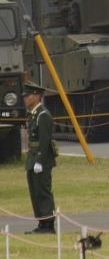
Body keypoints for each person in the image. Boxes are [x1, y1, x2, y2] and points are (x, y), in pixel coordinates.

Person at [24, 82, 57, 234]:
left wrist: (39, 161)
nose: (26, 99)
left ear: (37, 96)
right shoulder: (34, 114)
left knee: (43, 191)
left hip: (41, 159)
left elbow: (44, 141)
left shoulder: (43, 115)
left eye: (28, 96)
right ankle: (41, 222)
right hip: (33, 157)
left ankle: (48, 224)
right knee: (35, 191)